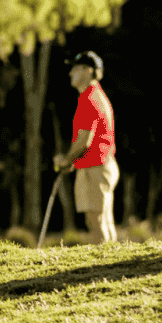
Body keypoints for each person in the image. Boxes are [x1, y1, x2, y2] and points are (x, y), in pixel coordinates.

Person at [53, 51, 119, 243]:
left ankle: (103, 268)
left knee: (97, 222)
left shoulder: (89, 98)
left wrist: (67, 159)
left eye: (76, 68)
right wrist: (73, 160)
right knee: (103, 221)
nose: (71, 73)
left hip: (96, 167)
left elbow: (85, 140)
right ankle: (110, 264)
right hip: (99, 165)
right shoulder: (95, 96)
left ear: (88, 71)